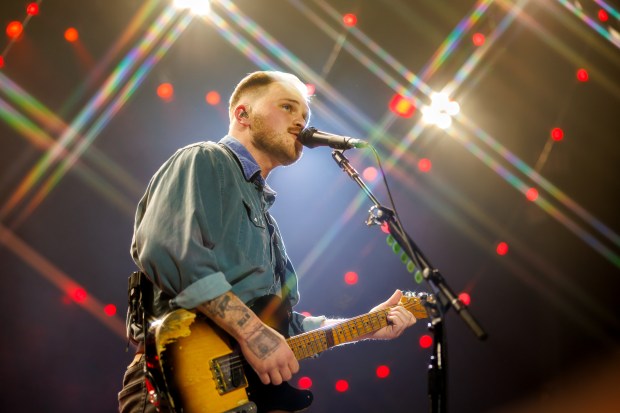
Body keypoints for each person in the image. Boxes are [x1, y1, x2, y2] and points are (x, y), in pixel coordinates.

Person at [118, 70, 417, 413]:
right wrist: (253, 333)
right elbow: (167, 248)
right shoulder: (205, 159)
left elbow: (283, 326)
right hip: (177, 388)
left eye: (304, 115)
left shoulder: (268, 223)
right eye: (288, 108)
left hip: (241, 398)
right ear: (242, 114)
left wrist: (364, 326)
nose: (300, 123)